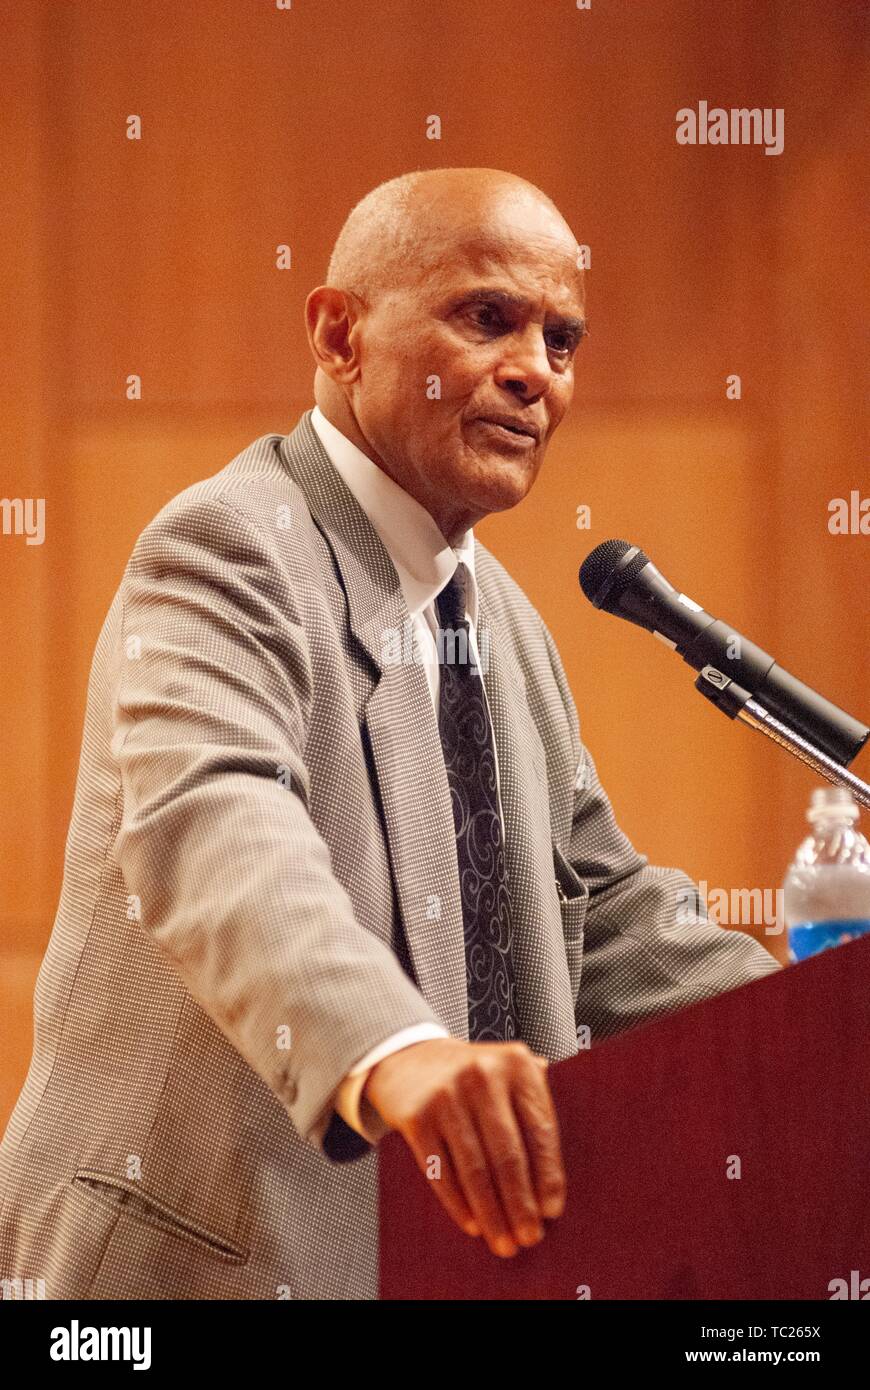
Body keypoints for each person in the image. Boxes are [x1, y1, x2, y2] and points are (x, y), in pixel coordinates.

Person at [0, 167, 779, 1300]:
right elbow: (216, 831)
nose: (534, 371)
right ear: (339, 332)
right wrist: (395, 1050)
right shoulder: (228, 547)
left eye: (562, 341)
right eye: (487, 318)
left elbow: (603, 912)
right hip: (180, 1271)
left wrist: (822, 1033)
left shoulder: (503, 619)